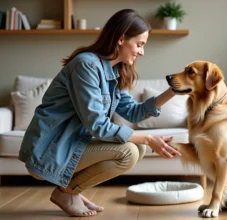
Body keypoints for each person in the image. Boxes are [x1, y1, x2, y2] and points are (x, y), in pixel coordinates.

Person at [18, 9, 181, 217]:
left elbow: (133, 112)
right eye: (139, 44)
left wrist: (173, 90)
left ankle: (71, 191)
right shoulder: (86, 65)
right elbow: (98, 126)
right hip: (51, 149)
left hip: (74, 144)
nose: (141, 52)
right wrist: (149, 138)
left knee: (137, 149)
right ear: (121, 39)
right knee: (129, 152)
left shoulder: (114, 71)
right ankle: (67, 192)